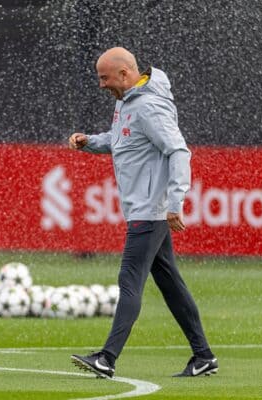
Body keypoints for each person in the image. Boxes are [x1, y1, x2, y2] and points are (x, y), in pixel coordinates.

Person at [68, 47, 217, 378]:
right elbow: (123, 141)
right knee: (171, 284)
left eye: (104, 78)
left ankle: (107, 357)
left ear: (124, 74)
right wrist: (89, 141)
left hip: (150, 211)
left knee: (129, 279)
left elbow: (178, 150)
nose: (101, 85)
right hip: (147, 209)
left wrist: (176, 202)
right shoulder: (126, 102)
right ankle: (203, 356)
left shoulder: (148, 107)